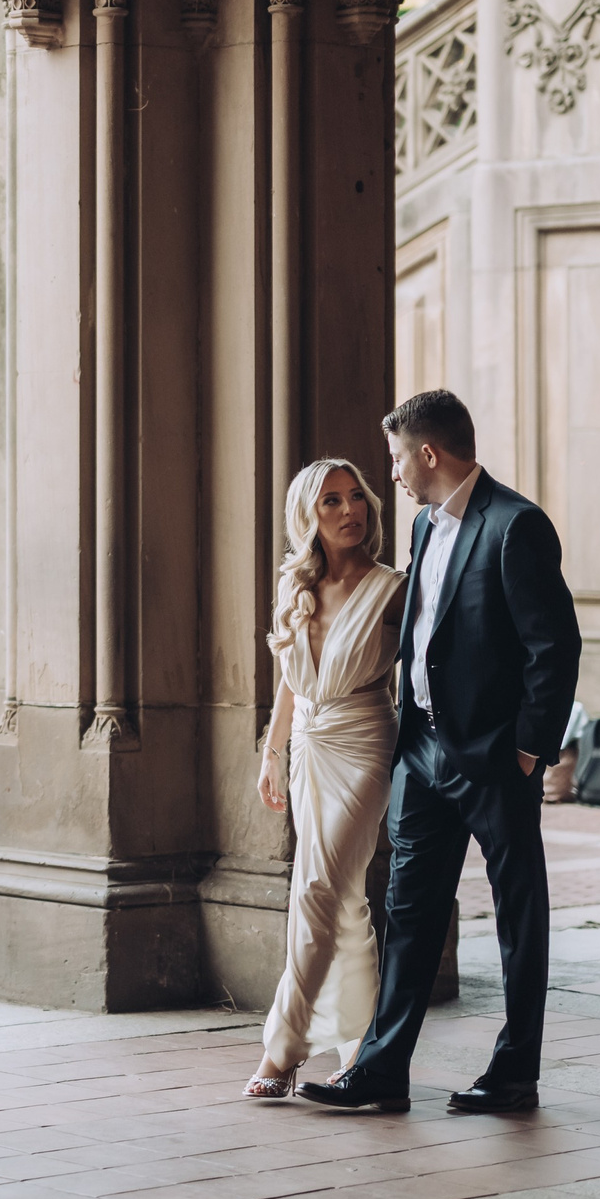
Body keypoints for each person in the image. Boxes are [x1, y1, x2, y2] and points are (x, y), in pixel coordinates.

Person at [299, 390, 580, 1116]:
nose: (391, 473)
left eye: (396, 459)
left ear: (428, 453)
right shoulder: (424, 523)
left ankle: (514, 1073)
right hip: (421, 752)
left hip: (496, 760)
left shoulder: (516, 525)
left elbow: (554, 648)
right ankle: (382, 1070)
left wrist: (528, 750)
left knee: (518, 916)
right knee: (409, 911)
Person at [244, 459, 408, 1099]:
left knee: (316, 888)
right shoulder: (297, 586)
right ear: (307, 516)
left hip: (365, 743)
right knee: (342, 899)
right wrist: (272, 750)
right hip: (309, 747)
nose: (349, 511)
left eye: (356, 497)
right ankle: (361, 1049)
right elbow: (292, 677)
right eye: (331, 501)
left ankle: (281, 1054)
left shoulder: (393, 588)